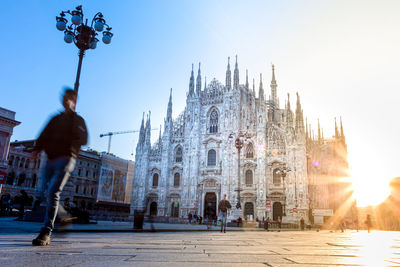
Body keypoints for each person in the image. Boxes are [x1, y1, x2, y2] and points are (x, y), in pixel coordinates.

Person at [31, 89, 88, 246]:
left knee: (52, 192)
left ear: (74, 100)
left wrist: (71, 146)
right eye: (63, 97)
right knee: (41, 192)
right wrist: (36, 149)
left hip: (66, 159)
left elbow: (83, 138)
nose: (65, 100)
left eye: (68, 98)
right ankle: (63, 216)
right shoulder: (55, 119)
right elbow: (43, 135)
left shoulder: (78, 120)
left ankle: (46, 232)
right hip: (50, 159)